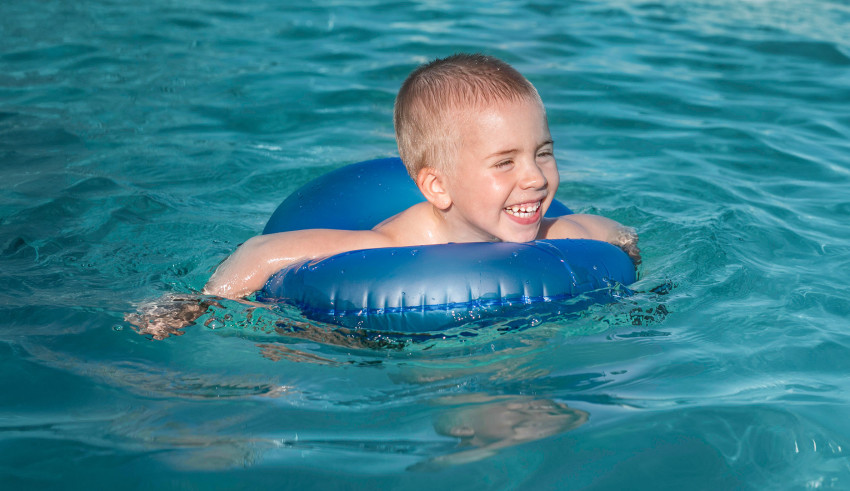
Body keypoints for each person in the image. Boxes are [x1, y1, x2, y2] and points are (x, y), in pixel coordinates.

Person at [128, 53, 639, 339]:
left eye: (543, 152)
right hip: (362, 340)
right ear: (437, 185)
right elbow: (262, 252)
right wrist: (194, 305)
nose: (535, 178)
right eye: (505, 162)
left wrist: (630, 255)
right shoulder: (388, 242)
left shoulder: (554, 233)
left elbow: (610, 232)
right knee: (289, 363)